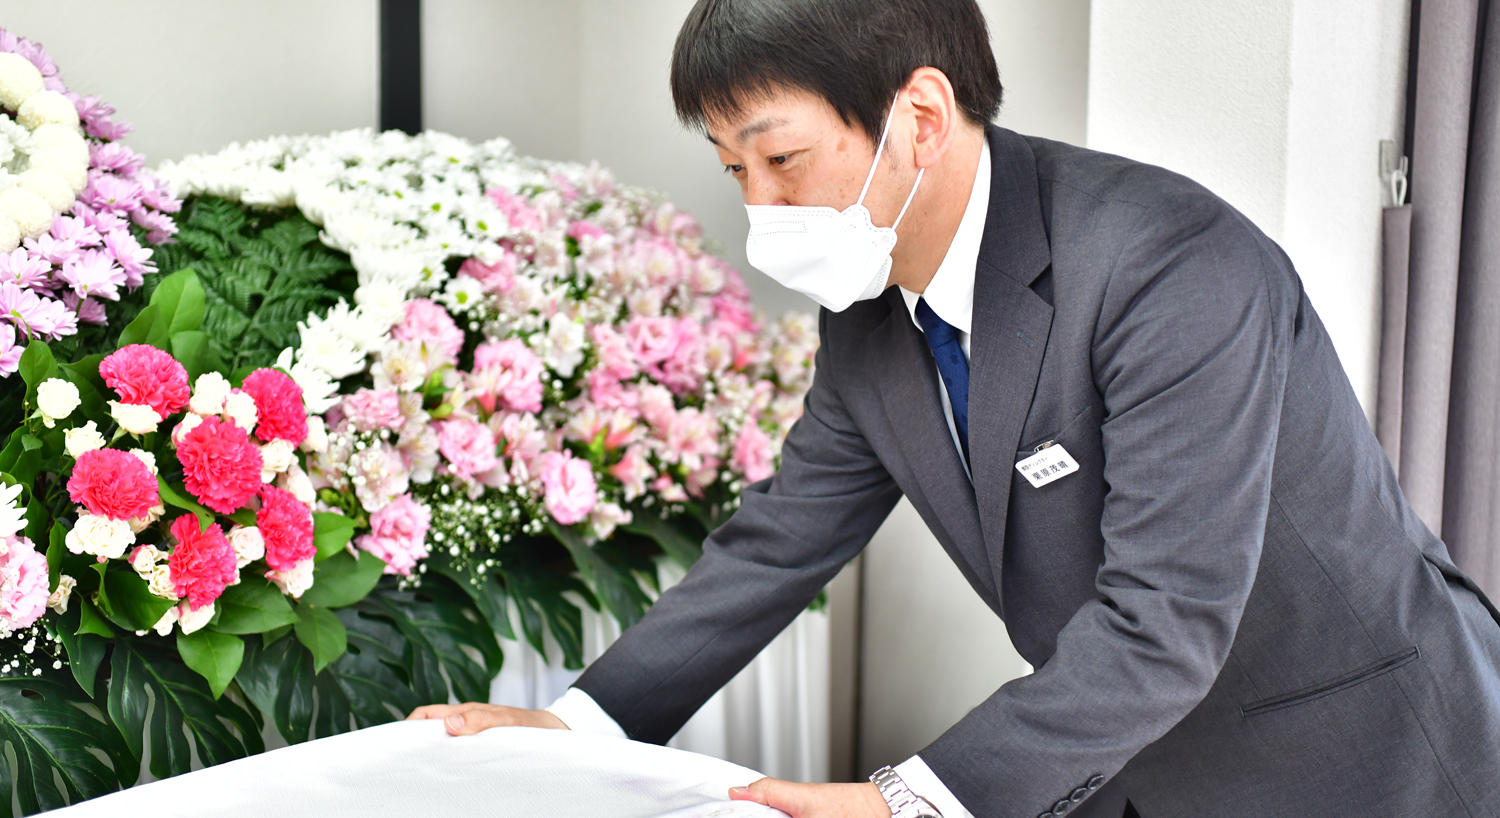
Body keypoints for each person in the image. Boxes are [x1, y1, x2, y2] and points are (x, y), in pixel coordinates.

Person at [409, 1, 1500, 816]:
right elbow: (778, 542)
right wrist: (577, 724)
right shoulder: (869, 315)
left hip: (1369, 753)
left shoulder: (1168, 264)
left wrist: (907, 798)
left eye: (781, 157)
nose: (759, 206)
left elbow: (1164, 619)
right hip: (1125, 762)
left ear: (921, 115)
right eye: (734, 168)